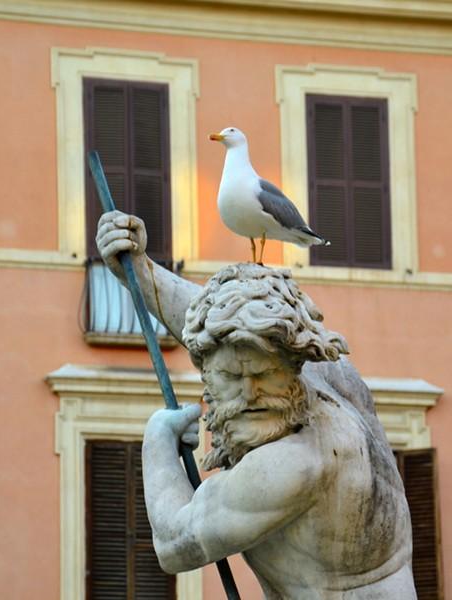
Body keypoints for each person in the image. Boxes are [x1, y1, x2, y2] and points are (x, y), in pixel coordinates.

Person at [96, 211, 417, 599]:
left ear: (291, 365)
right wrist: (140, 271)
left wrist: (158, 437)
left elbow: (174, 543)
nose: (249, 394)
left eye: (264, 377)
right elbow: (217, 320)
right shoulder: (330, 371)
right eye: (230, 379)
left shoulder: (291, 463)